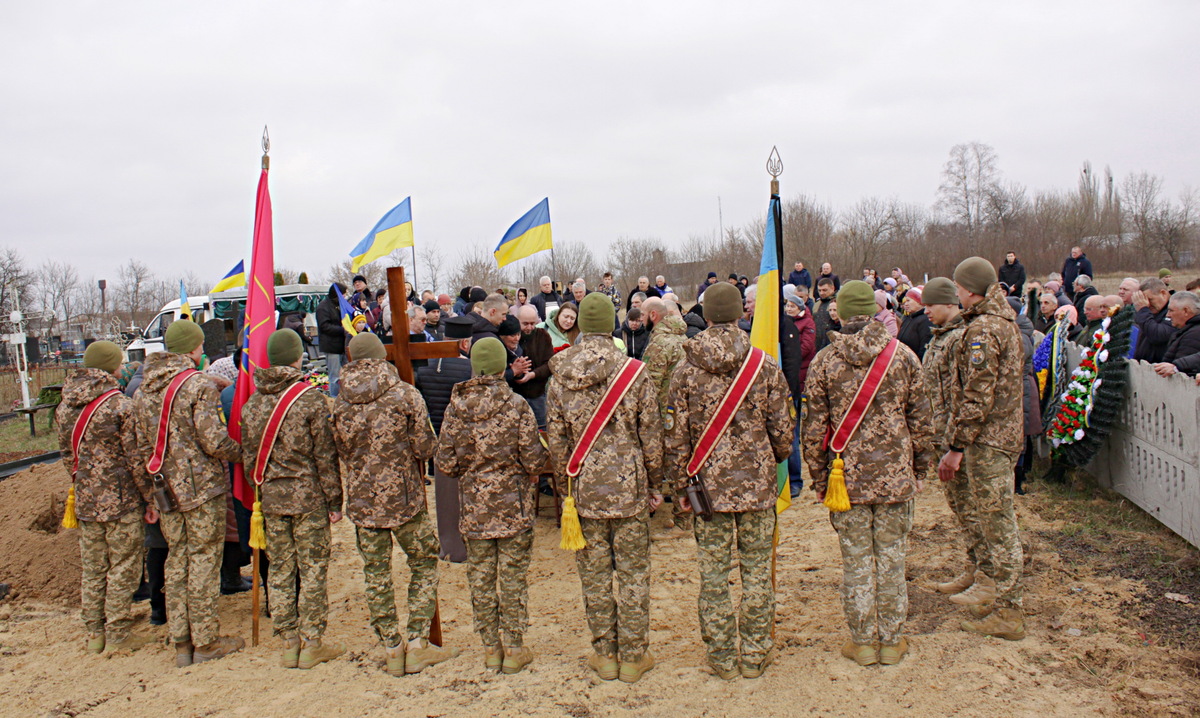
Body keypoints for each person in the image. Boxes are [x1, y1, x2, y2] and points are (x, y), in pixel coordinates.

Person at [663, 282, 792, 679]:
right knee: (756, 572)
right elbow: (783, 433)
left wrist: (681, 487)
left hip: (707, 492)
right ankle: (754, 653)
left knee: (714, 576)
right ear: (741, 313)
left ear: (705, 315)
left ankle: (721, 655)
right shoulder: (765, 364)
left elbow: (675, 438)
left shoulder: (684, 371)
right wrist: (771, 460)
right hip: (757, 487)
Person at [803, 280, 933, 667]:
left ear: (839, 313)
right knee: (892, 559)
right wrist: (921, 468)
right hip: (895, 476)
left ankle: (861, 642)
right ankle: (891, 641)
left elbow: (813, 429)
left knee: (856, 562)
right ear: (876, 311)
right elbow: (922, 420)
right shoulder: (905, 356)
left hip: (846, 481)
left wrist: (819, 478)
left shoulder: (825, 361)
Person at [545, 293, 663, 684]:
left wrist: (565, 491)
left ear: (579, 326)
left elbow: (557, 442)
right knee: (632, 574)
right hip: (629, 488)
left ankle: (605, 655)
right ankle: (633, 657)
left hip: (582, 493)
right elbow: (652, 436)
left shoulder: (559, 374)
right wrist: (655, 483)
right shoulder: (634, 371)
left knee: (594, 577)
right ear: (611, 326)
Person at [333, 332, 458, 676]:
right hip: (405, 500)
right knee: (423, 561)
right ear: (381, 357)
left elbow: (341, 450)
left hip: (362, 502)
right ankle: (417, 642)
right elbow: (424, 447)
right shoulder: (404, 394)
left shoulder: (340, 401)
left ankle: (390, 645)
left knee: (375, 573)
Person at [132, 320, 244, 666]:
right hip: (200, 491)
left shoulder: (143, 390)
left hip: (165, 491)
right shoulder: (197, 386)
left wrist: (150, 495)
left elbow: (140, 450)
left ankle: (181, 641)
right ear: (195, 350)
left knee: (177, 560)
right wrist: (243, 452)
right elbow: (214, 441)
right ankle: (206, 641)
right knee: (203, 562)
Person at [435, 338, 547, 674]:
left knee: (481, 578)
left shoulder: (456, 408)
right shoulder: (516, 406)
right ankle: (514, 648)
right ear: (502, 366)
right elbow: (532, 460)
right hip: (514, 507)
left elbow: (445, 462)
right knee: (512, 577)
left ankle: (490, 649)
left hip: (475, 508)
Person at [240, 330, 344, 669]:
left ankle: (288, 642)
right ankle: (312, 641)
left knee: (281, 569)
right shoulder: (310, 399)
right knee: (312, 568)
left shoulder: (253, 403)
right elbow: (324, 457)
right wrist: (334, 502)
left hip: (270, 501)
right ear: (298, 357)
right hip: (308, 499)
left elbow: (248, 458)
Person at [937, 257, 1026, 641]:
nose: (956, 294)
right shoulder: (1000, 323)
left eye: (958, 287)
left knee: (998, 526)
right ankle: (998, 596)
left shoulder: (984, 330)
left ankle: (1009, 612)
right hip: (998, 438)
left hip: (988, 441)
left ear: (971, 289)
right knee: (994, 523)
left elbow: (977, 395)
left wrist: (957, 445)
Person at [57, 341, 150, 655]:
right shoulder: (119, 405)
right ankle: (119, 632)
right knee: (123, 565)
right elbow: (136, 459)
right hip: (121, 500)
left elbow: (67, 455)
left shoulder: (66, 405)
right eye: (120, 363)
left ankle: (95, 632)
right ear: (111, 367)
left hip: (84, 499)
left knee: (94, 567)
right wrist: (150, 499)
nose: (123, 368)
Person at [919, 277, 980, 594]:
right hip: (943, 439)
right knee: (961, 509)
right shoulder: (940, 338)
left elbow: (969, 396)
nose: (925, 310)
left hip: (961, 443)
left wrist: (957, 443)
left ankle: (987, 576)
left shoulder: (961, 339)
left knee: (973, 510)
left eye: (931, 305)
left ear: (949, 303)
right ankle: (974, 569)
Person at [640, 297, 690, 533]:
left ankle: (668, 511)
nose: (640, 321)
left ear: (653, 315)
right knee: (683, 462)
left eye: (642, 315)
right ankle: (685, 514)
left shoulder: (659, 344)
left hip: (663, 415)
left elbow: (649, 384)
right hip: (684, 412)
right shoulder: (682, 337)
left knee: (664, 462)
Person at [513, 306, 554, 428]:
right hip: (515, 395)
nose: (529, 328)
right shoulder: (511, 336)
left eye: (533, 323)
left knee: (541, 428)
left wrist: (532, 374)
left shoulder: (543, 336)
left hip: (537, 394)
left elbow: (549, 364)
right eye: (525, 324)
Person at [1153, 291, 1200, 377]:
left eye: (1171, 310)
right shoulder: (1186, 330)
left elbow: (1184, 375)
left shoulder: (1194, 334)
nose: (1168, 315)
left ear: (1186, 311)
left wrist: (1176, 367)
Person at [316, 283, 349, 397]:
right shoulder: (323, 307)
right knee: (335, 376)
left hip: (343, 345)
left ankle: (346, 396)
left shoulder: (341, 305)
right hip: (331, 346)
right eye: (344, 294)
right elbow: (324, 326)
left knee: (346, 374)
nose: (345, 296)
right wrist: (342, 329)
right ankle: (335, 398)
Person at [1133, 277, 1174, 363]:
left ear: (1163, 293)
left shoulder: (1175, 310)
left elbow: (1158, 335)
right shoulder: (1151, 312)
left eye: (1150, 299)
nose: (1147, 304)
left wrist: (1143, 310)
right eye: (1143, 300)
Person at [896, 287, 933, 360]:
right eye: (905, 302)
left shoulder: (926, 321)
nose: (905, 304)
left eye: (908, 301)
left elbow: (924, 349)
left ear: (919, 302)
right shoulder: (908, 318)